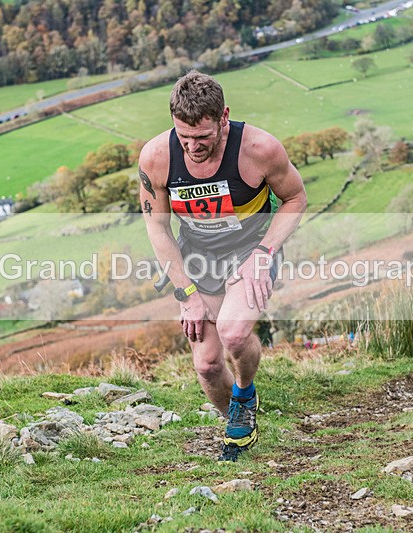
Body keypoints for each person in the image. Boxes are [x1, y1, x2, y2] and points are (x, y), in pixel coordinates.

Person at [138, 71, 307, 461]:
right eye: (184, 137)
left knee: (233, 334)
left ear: (224, 117)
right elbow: (157, 227)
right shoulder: (156, 157)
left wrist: (263, 254)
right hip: (196, 254)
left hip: (250, 248)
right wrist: (186, 294)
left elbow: (295, 199)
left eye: (203, 137)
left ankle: (245, 393)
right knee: (208, 364)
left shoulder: (260, 149)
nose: (193, 147)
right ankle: (237, 417)